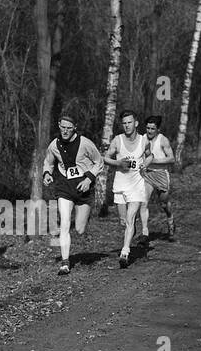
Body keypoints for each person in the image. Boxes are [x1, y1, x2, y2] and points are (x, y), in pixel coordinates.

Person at [41, 112, 104, 275]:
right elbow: (48, 162)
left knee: (80, 229)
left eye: (69, 128)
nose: (66, 131)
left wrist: (89, 179)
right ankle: (65, 263)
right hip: (65, 188)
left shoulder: (85, 143)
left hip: (84, 188)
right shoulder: (54, 145)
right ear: (59, 126)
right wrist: (47, 174)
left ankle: (83, 218)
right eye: (63, 127)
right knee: (65, 223)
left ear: (74, 128)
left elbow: (99, 162)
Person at [103, 109, 150, 269]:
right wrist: (119, 163)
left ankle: (125, 252)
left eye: (130, 122)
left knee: (130, 219)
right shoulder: (118, 140)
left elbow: (149, 155)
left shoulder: (144, 141)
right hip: (120, 186)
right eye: (124, 123)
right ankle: (131, 232)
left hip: (137, 186)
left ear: (136, 123)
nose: (127, 125)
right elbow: (106, 158)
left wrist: (146, 164)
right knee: (124, 222)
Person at [139, 114, 176, 243]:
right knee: (143, 202)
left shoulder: (163, 140)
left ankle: (170, 220)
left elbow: (171, 158)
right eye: (147, 128)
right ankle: (145, 232)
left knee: (164, 204)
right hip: (147, 174)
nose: (149, 131)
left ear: (158, 129)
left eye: (152, 129)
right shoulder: (141, 139)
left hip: (161, 174)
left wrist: (154, 160)